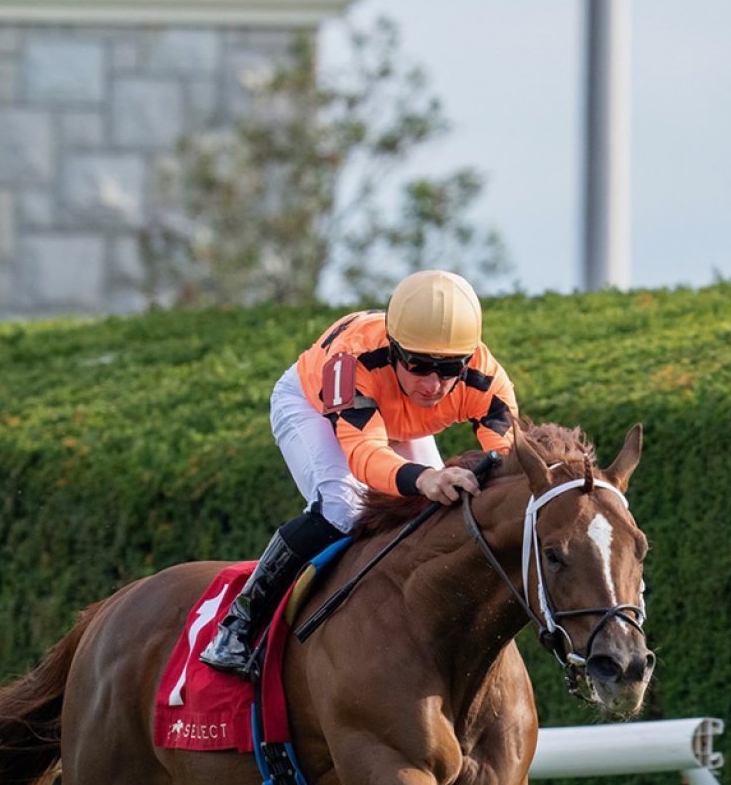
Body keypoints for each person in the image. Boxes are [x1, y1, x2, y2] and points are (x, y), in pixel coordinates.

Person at [199, 269, 518, 678]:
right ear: (396, 349)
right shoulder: (352, 361)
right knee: (342, 506)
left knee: (444, 513)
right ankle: (239, 624)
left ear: (469, 358)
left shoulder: (487, 380)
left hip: (397, 422)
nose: (434, 384)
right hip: (313, 407)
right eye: (419, 365)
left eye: (449, 367)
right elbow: (364, 455)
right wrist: (423, 478)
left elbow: (506, 463)